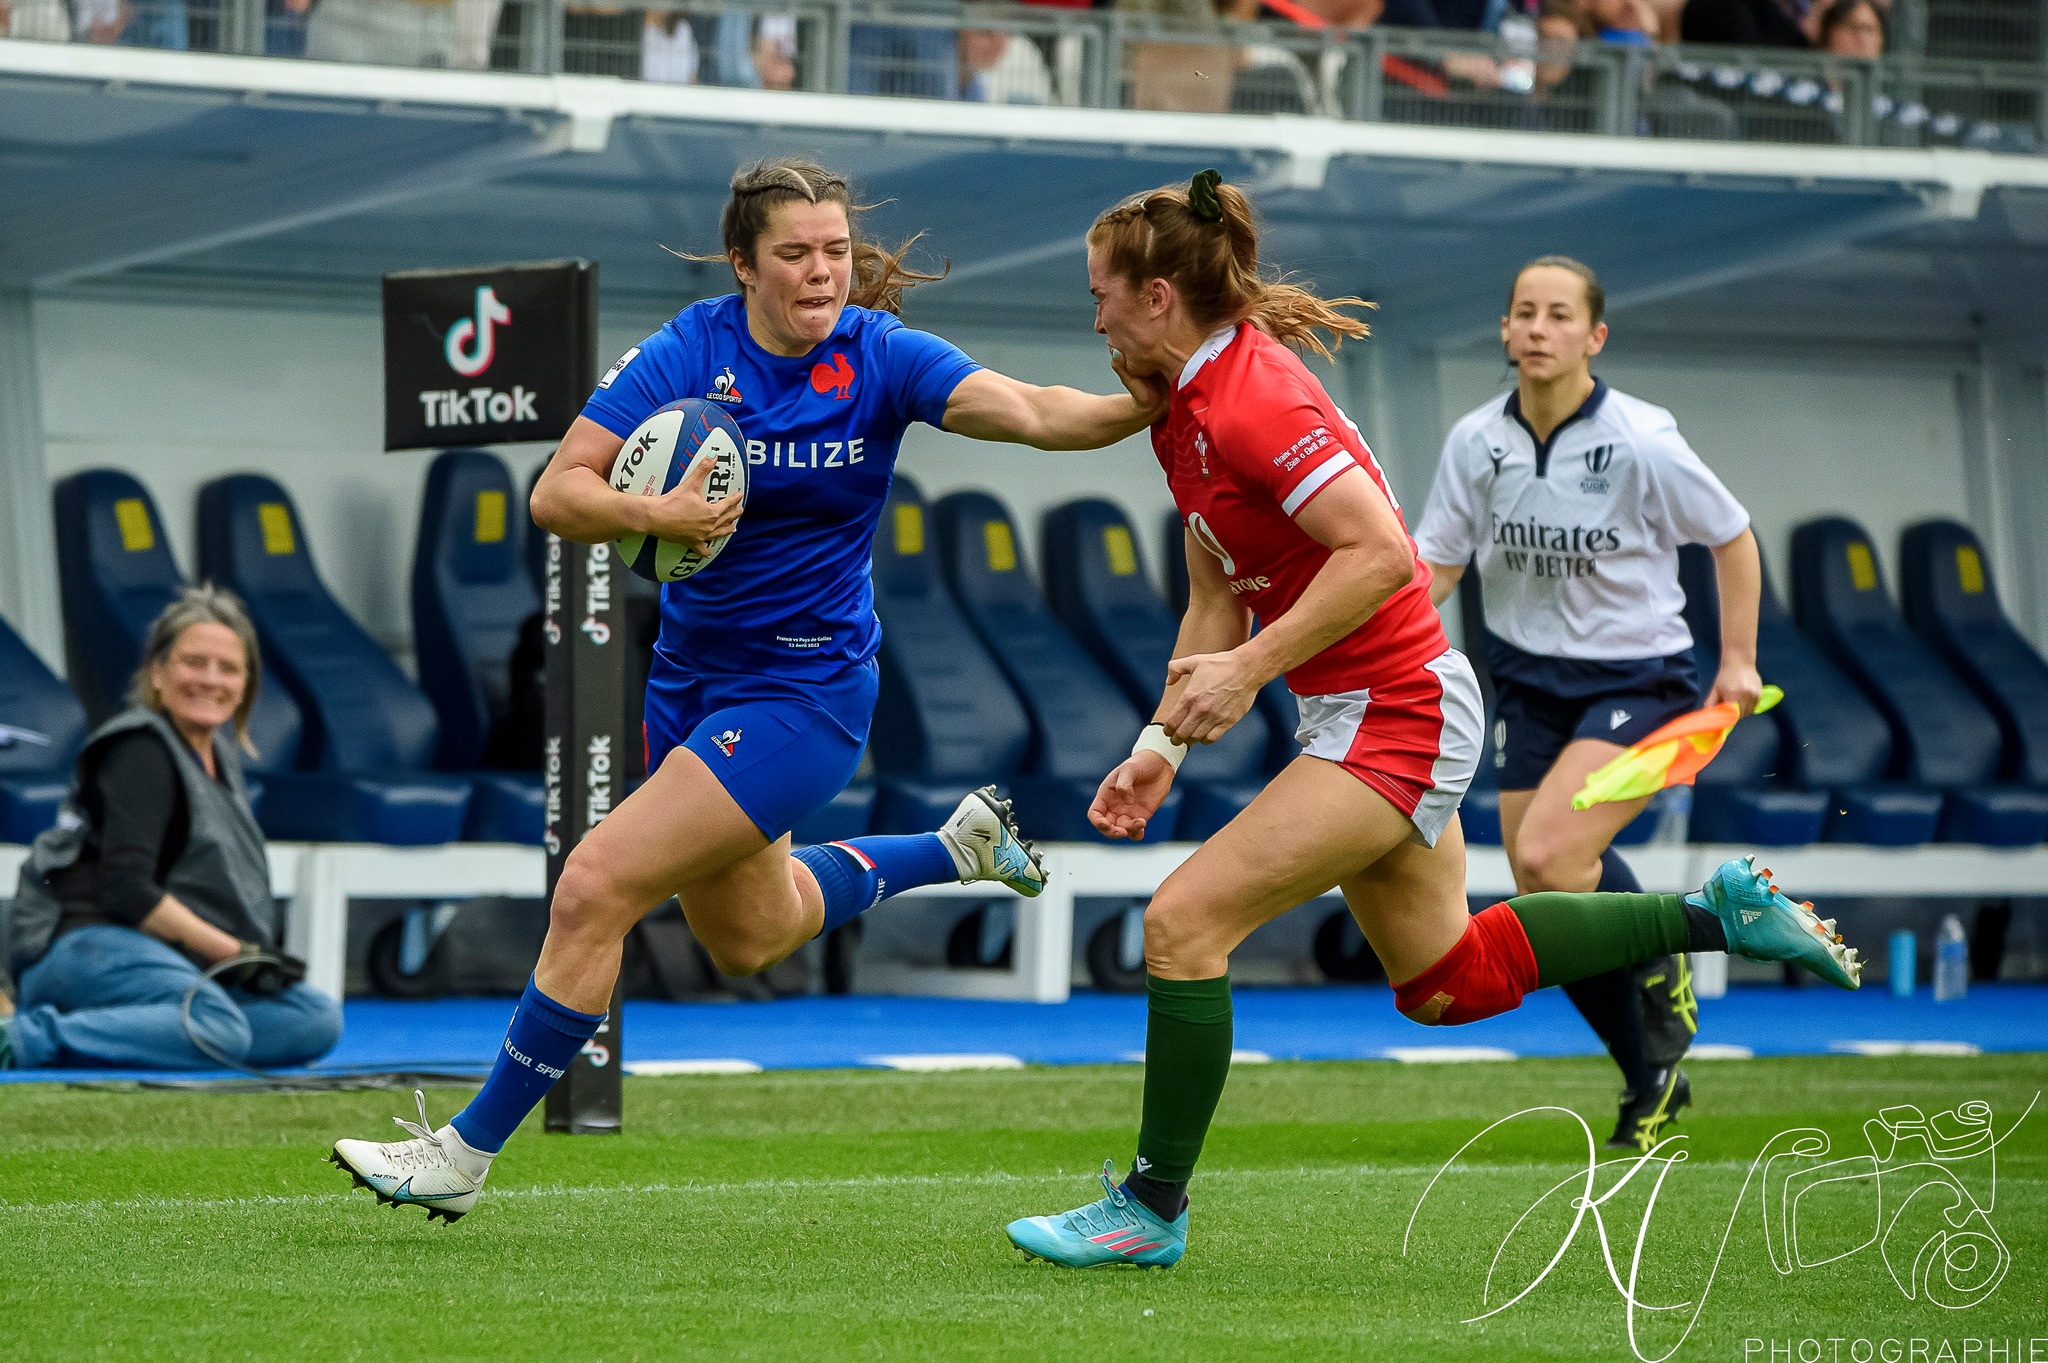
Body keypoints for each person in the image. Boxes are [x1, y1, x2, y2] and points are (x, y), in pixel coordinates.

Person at [1001, 171, 1861, 1269]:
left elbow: (1381, 557)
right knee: (1447, 984)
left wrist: (1251, 671)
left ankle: (1150, 1208)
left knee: (1179, 924)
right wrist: (1158, 744)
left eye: (1101, 296)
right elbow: (1216, 593)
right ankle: (1714, 913)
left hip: (1396, 708)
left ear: (1157, 295)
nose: (1096, 319)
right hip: (1361, 709)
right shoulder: (1187, 412)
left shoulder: (1254, 397)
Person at [328, 156, 1171, 1221]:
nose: (822, 272)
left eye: (836, 251)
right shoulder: (690, 349)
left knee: (593, 885)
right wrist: (657, 517)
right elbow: (558, 492)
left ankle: (460, 1154)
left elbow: (1036, 411)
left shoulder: (882, 355)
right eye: (795, 253)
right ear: (743, 263)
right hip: (688, 684)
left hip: (808, 694)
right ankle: (955, 847)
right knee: (749, 935)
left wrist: (1155, 394)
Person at [1414, 256, 1764, 1152]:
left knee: (1550, 852)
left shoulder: (1642, 437)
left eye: (1559, 314)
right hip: (1525, 681)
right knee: (1543, 890)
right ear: (1504, 329)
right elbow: (1438, 563)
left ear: (1594, 336)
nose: (1538, 328)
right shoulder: (1475, 441)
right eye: (1524, 311)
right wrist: (1379, 637)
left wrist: (1737, 660)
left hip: (1637, 679)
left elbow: (1732, 536)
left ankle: (1665, 954)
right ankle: (1651, 1077)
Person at [1, 587, 340, 1072]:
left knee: (315, 1018)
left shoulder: (220, 754)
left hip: (167, 959)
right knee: (218, 1026)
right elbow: (127, 891)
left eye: (228, 668)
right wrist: (238, 954)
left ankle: (145, 1030)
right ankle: (24, 1037)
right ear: (157, 674)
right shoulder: (140, 750)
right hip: (86, 945)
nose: (210, 679)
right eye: (193, 662)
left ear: (246, 684)